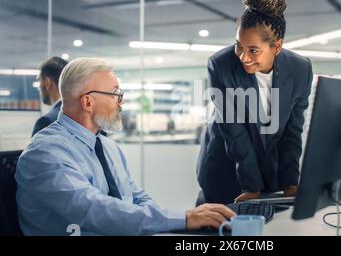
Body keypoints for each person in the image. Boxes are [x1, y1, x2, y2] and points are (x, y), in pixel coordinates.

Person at [16, 57, 235, 236]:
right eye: (115, 94)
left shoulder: (109, 147)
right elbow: (93, 209)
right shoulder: (45, 153)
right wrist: (184, 218)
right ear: (88, 103)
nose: (121, 102)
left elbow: (137, 198)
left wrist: (173, 225)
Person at [196, 0, 313, 204]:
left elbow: (292, 130)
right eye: (238, 46)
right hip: (225, 168)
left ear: (277, 47)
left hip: (269, 169)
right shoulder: (220, 65)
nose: (243, 57)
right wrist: (251, 186)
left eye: (253, 50)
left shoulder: (301, 70)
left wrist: (291, 183)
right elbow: (234, 131)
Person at [32, 57, 68, 136]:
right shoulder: (80, 117)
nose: (39, 87)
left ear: (48, 83)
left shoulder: (46, 122)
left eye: (39, 80)